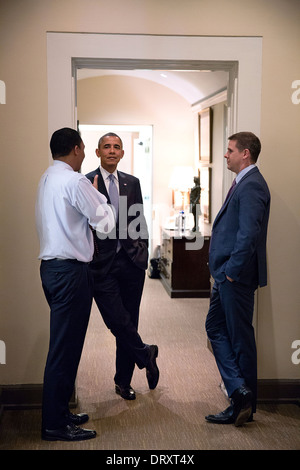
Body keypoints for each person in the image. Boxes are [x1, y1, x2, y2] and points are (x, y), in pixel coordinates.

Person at [35, 127, 115, 441]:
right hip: (70, 273)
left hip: (51, 270)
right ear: (78, 149)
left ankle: (60, 413)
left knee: (64, 347)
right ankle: (54, 425)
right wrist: (99, 196)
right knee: (64, 351)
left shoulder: (46, 178)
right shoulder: (75, 180)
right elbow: (106, 223)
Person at [86, 133, 159, 401]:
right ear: (97, 152)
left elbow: (139, 219)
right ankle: (145, 353)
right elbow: (85, 223)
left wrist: (143, 251)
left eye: (117, 147)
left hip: (131, 263)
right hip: (101, 265)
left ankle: (123, 381)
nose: (112, 151)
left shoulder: (132, 182)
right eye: (107, 147)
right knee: (118, 322)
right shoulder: (86, 182)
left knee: (130, 320)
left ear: (123, 153)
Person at [205, 132, 270, 426]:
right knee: (215, 327)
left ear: (245, 153)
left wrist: (231, 271)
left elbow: (249, 234)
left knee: (240, 338)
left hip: (236, 277)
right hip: (226, 275)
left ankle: (244, 402)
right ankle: (239, 391)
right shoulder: (242, 182)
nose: (225, 155)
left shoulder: (253, 185)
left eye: (229, 150)